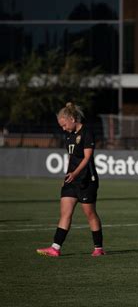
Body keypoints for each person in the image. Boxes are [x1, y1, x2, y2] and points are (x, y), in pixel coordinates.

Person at [37, 102, 104, 257]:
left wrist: (75, 174)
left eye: (64, 124)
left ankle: (98, 248)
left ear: (73, 119)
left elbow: (87, 158)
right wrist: (68, 175)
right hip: (71, 180)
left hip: (87, 180)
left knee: (90, 214)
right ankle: (55, 248)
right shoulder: (68, 135)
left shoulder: (87, 133)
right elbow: (71, 157)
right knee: (65, 214)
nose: (63, 128)